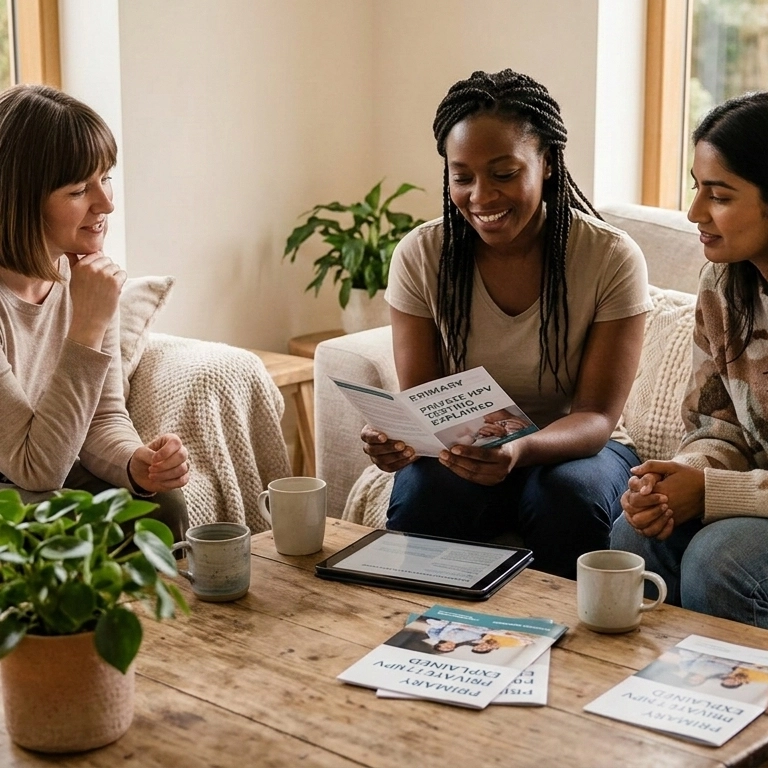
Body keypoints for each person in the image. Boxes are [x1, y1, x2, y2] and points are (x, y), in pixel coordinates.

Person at [361, 69, 651, 578]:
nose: (481, 197)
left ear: (548, 165)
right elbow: (426, 400)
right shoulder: (421, 256)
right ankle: (431, 639)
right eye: (462, 176)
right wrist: (401, 437)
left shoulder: (609, 257)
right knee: (423, 491)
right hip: (467, 453)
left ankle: (574, 645)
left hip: (580, 451)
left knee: (567, 495)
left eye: (504, 173)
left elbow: (597, 417)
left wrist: (519, 449)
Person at [0, 84, 189, 541]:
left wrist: (134, 463)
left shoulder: (79, 276)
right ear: (20, 197)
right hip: (16, 485)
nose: (106, 203)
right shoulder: (82, 296)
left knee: (161, 506)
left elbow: (101, 417)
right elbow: (34, 468)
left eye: (106, 178)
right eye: (79, 189)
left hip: (43, 476)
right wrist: (86, 324)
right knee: (54, 529)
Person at [611, 91, 768, 628]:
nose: (694, 212)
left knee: (721, 558)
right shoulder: (723, 284)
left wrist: (712, 492)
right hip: (752, 501)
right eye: (697, 187)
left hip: (749, 515)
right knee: (636, 530)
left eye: (719, 195)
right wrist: (681, 476)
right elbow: (715, 426)